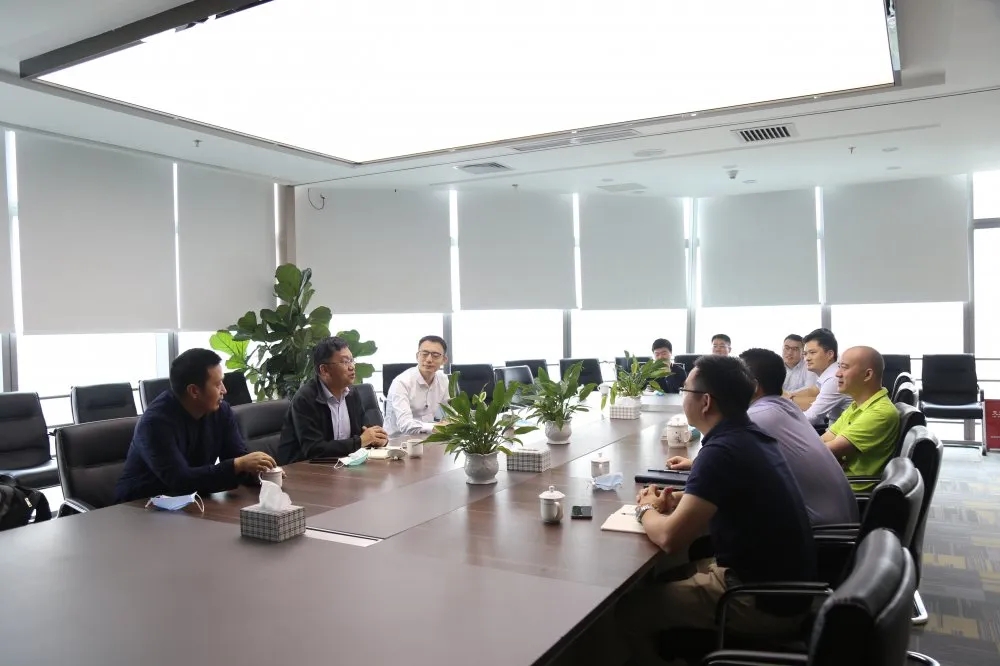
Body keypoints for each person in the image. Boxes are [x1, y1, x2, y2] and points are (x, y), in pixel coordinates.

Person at [619, 355, 816, 664]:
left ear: (706, 401)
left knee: (630, 609)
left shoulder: (720, 451)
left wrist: (645, 509)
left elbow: (669, 538)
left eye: (685, 390)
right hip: (784, 589)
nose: (683, 396)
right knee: (662, 578)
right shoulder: (751, 436)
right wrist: (680, 499)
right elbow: (731, 493)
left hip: (760, 602)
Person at [115, 349, 275, 503]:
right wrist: (238, 465)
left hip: (192, 501)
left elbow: (236, 457)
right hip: (140, 506)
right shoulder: (155, 423)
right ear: (194, 391)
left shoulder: (221, 411)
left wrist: (259, 473)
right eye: (217, 384)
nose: (224, 390)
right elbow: (180, 480)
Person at [738, 348, 858, 526]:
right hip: (841, 520)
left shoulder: (756, 417)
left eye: (733, 380)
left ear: (754, 386)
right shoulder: (786, 407)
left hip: (820, 531)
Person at [277, 336, 388, 464]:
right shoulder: (305, 399)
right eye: (345, 362)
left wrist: (379, 439)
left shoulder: (352, 394)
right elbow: (313, 449)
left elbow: (365, 431)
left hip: (341, 466)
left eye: (352, 360)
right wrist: (360, 441)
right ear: (324, 370)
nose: (352, 367)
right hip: (303, 470)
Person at [822, 346, 901, 491]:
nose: (837, 374)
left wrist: (832, 453)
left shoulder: (879, 413)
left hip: (845, 492)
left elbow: (824, 451)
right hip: (834, 479)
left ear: (867, 375)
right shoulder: (857, 405)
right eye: (839, 367)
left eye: (844, 367)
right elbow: (822, 442)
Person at [384, 335, 450, 436]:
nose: (429, 359)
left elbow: (449, 413)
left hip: (428, 437)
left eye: (435, 355)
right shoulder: (401, 382)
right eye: (424, 354)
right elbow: (405, 425)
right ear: (417, 356)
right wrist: (437, 427)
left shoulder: (443, 380)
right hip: (397, 439)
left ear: (444, 360)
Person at [790, 328, 851, 426]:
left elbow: (811, 418)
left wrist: (780, 422)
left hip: (839, 433)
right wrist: (789, 396)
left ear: (830, 354)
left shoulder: (834, 378)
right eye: (805, 354)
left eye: (812, 353)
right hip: (833, 429)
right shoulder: (830, 373)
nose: (807, 358)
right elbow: (814, 391)